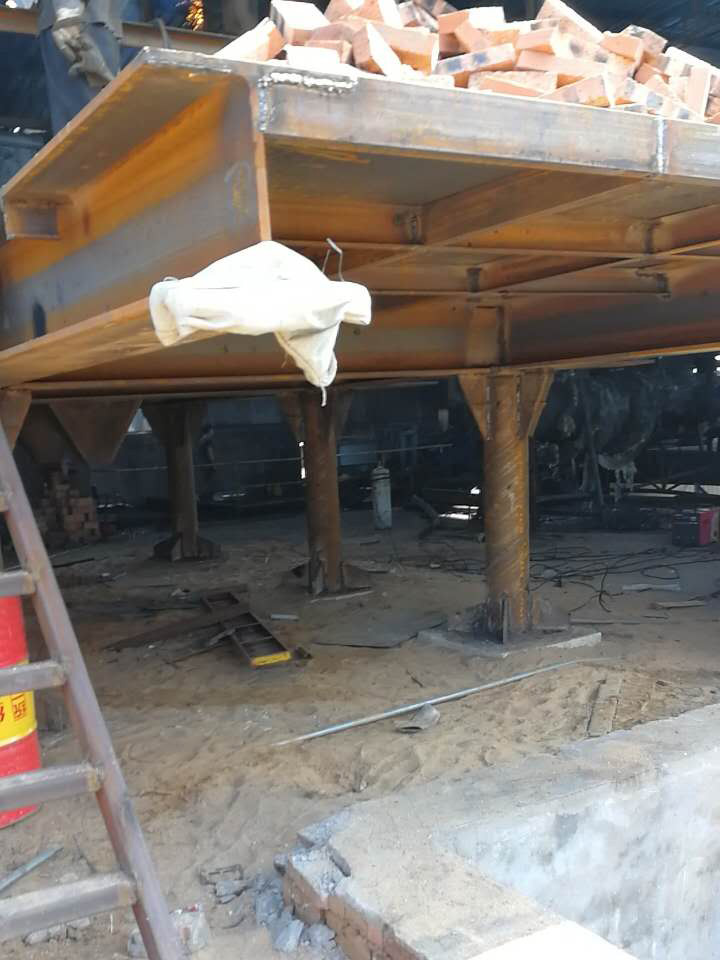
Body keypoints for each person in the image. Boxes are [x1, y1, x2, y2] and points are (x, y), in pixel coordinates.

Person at [37, 0, 124, 134]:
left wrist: (68, 11)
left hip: (77, 26)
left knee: (83, 128)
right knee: (94, 122)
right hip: (94, 24)